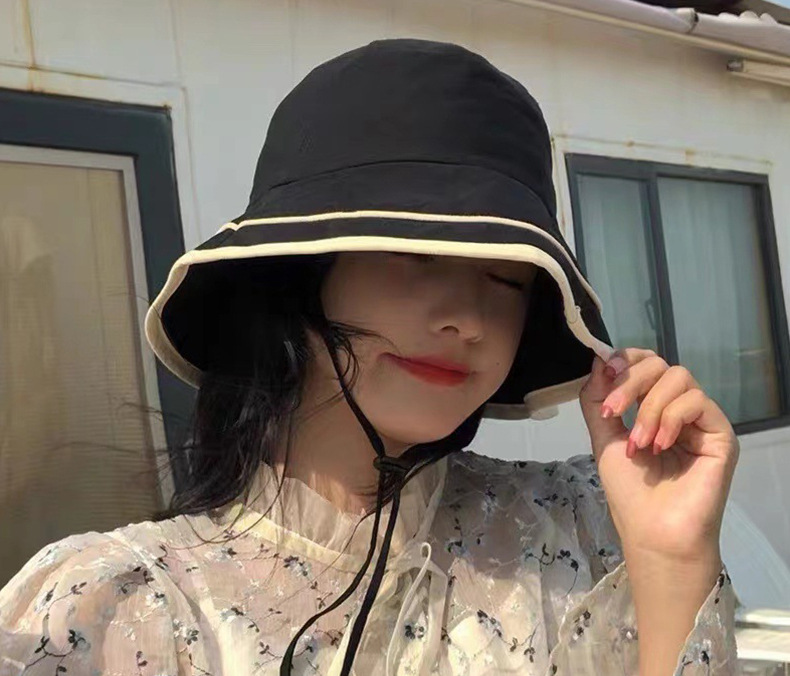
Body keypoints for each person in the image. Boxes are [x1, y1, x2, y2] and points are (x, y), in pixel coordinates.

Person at [0, 38, 739, 676]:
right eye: (414, 254)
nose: (467, 319)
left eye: (509, 278)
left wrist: (673, 564)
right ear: (298, 273)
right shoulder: (116, 606)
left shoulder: (584, 528)